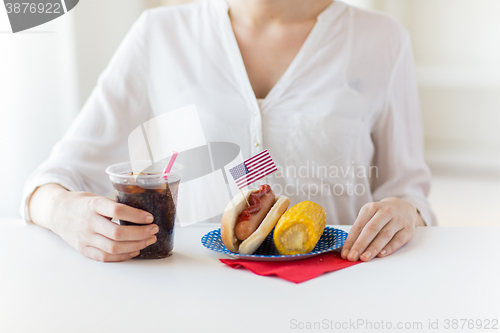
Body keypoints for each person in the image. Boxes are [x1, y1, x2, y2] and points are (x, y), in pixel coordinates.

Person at [22, 0, 437, 262]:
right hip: (192, 296)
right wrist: (64, 212)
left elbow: (411, 194)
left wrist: (404, 212)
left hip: (337, 293)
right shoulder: (159, 35)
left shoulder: (383, 40)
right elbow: (53, 179)